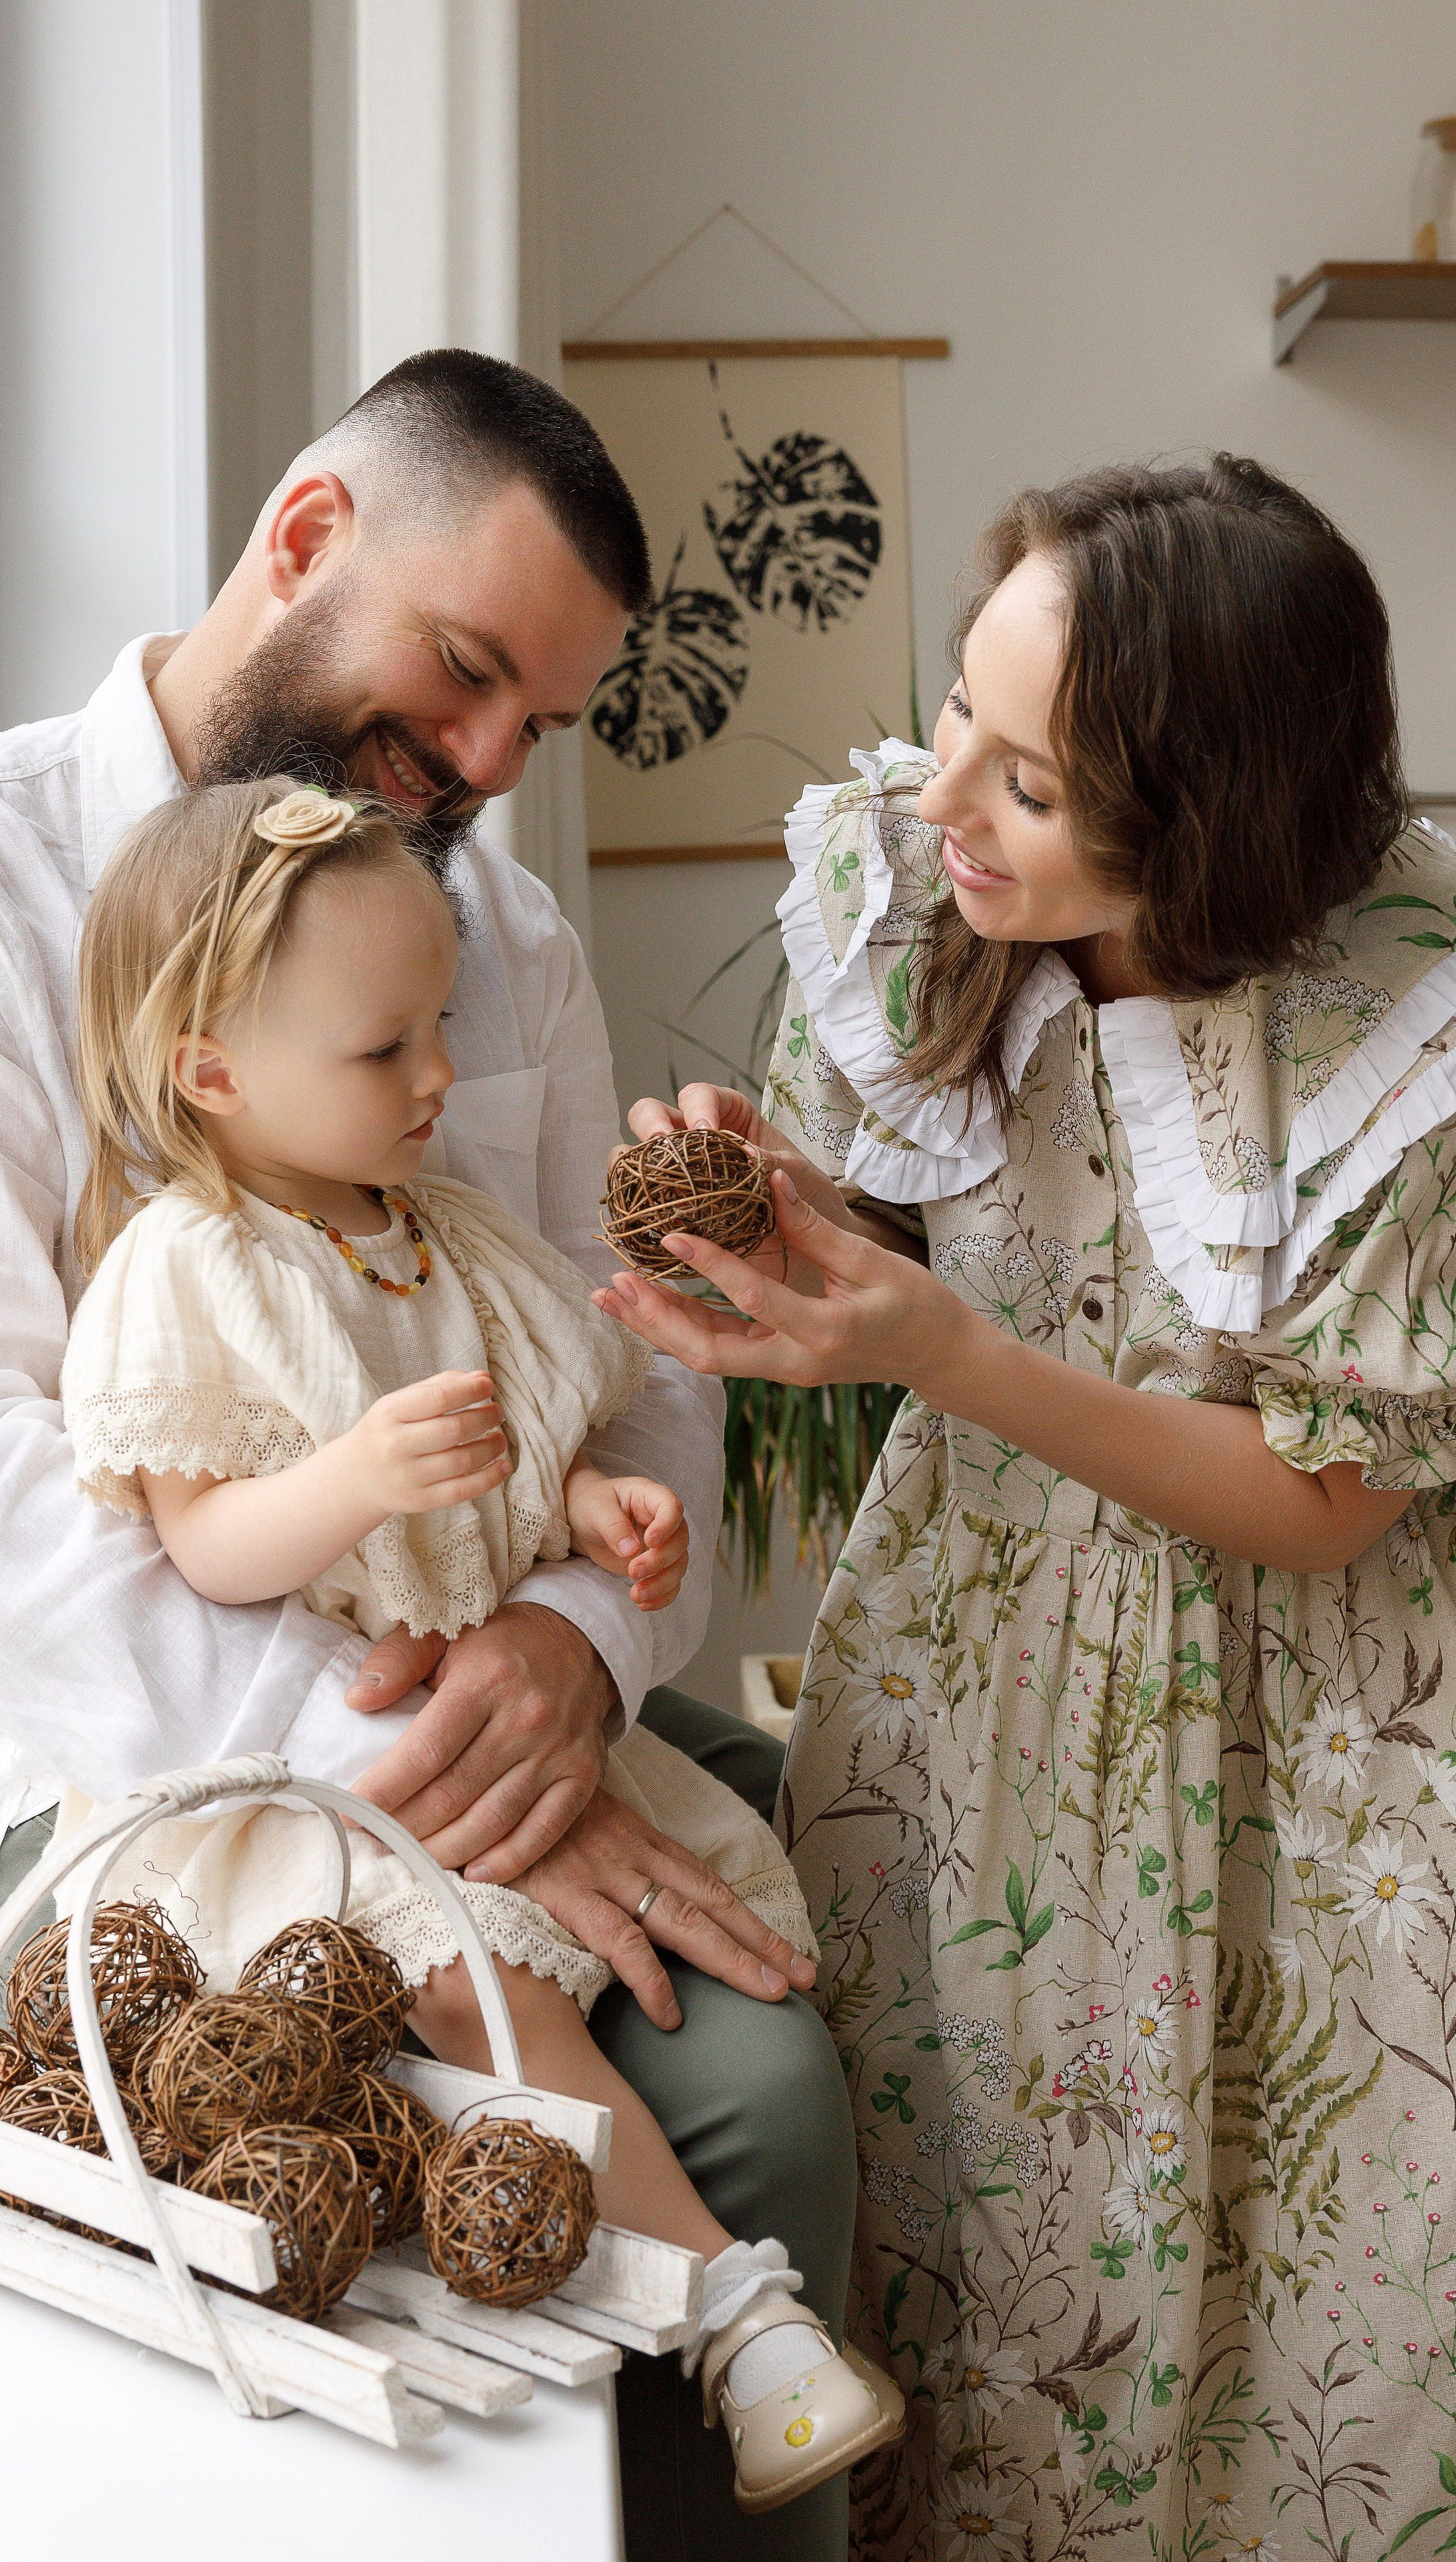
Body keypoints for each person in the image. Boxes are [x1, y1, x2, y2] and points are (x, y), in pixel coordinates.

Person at [596, 458, 1456, 2560]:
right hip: (1018, 1648)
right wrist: (787, 1213)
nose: (949, 806)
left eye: (1035, 780)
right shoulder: (935, 889)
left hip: (1411, 1718)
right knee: (992, 2247)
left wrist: (934, 1351)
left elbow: (1318, 1500)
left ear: (1212, 822)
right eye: (958, 714)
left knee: (1368, 2302)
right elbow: (973, 1225)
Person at [0, 348, 854, 2562]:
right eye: (463, 673)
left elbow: (628, 1375)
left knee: (880, 1888)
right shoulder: (4, 898)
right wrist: (421, 1782)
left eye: (532, 728)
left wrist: (574, 1646)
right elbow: (31, 1523)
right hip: (128, 1761)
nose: (482, 767)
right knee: (750, 2094)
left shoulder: (504, 943)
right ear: (303, 541)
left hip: (489, 1679)